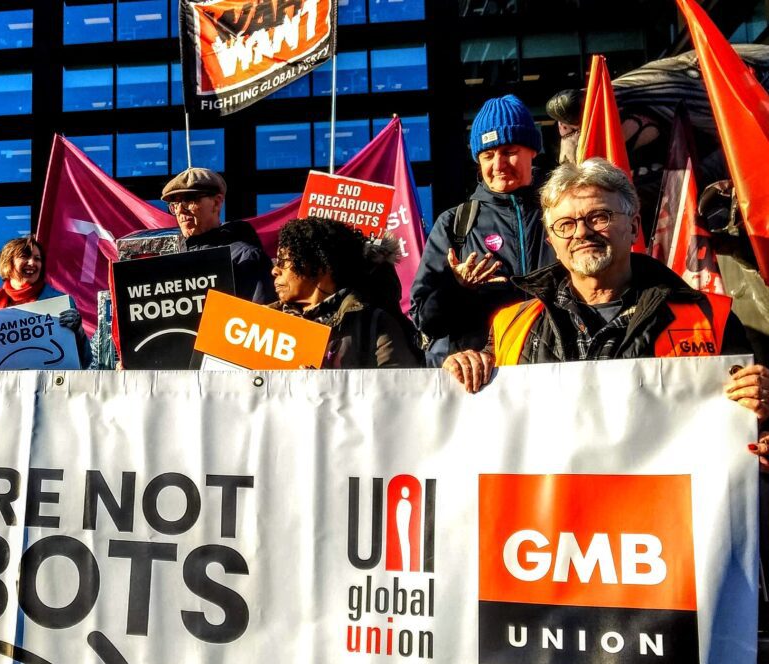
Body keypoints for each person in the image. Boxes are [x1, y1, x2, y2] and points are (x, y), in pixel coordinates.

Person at [440, 158, 768, 461]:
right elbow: (480, 430)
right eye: (565, 225)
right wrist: (462, 372)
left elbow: (750, 422)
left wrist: (763, 413)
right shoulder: (510, 325)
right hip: (548, 519)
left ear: (634, 226)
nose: (582, 232)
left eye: (599, 217)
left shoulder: (709, 318)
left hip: (662, 516)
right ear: (552, 240)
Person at [411, 94, 554, 364]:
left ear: (533, 151)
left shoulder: (561, 214)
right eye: (487, 155)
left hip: (555, 371)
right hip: (486, 380)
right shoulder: (456, 223)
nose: (498, 166)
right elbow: (425, 321)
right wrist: (456, 286)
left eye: (509, 152)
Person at [270, 218, 422, 369]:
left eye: (283, 262)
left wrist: (327, 385)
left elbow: (395, 389)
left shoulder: (375, 325)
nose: (275, 271)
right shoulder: (260, 322)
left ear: (322, 267)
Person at [0, 235, 90, 368]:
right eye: (25, 256)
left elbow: (84, 362)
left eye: (37, 259)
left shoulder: (61, 303)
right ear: (8, 263)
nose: (32, 263)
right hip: (7, 387)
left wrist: (78, 332)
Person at [161, 167, 276, 304]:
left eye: (188, 201)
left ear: (216, 203)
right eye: (174, 204)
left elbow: (260, 319)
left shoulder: (246, 257)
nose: (180, 211)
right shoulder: (172, 260)